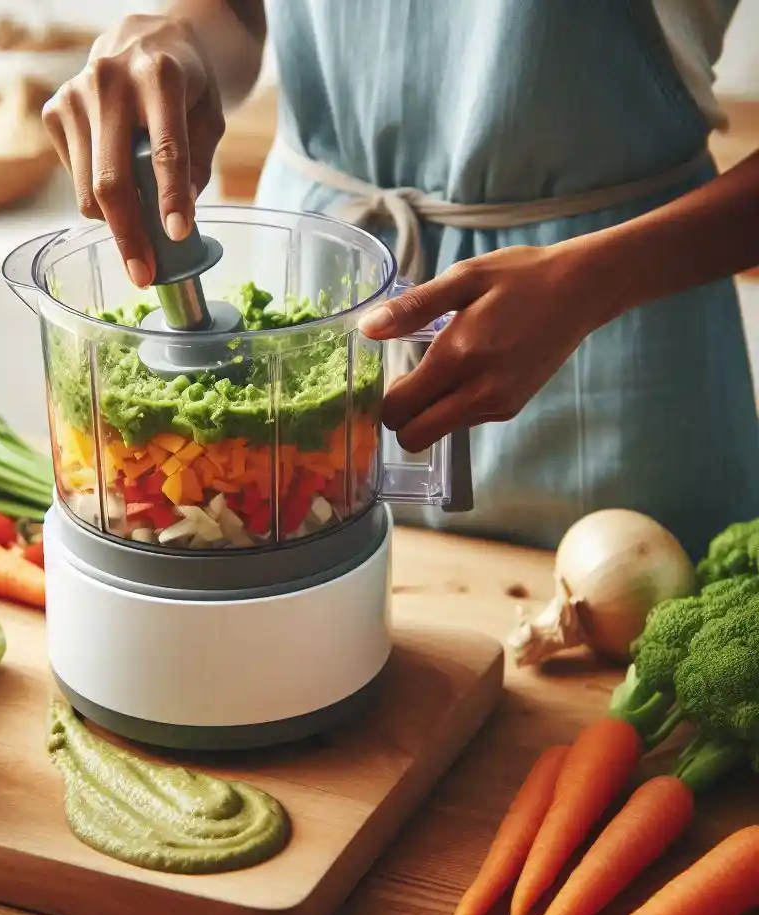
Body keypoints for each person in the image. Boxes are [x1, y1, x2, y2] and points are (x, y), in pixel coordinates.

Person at [42, 1, 759, 561]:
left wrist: (596, 281)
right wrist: (179, 41)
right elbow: (238, 13)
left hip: (614, 321)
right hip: (320, 289)